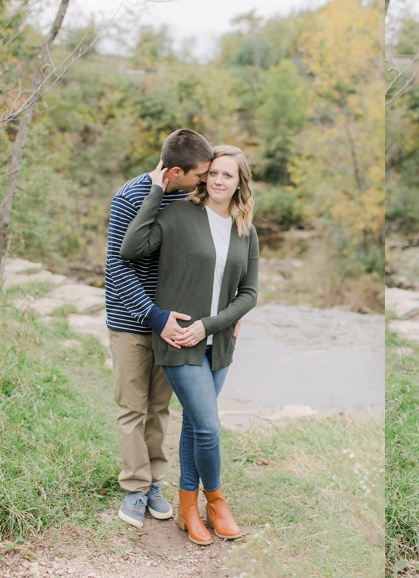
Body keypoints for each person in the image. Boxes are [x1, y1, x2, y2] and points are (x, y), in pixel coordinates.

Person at [120, 145, 259, 545]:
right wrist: (157, 192)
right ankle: (215, 501)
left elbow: (248, 294)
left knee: (197, 427)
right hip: (179, 340)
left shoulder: (244, 227)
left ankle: (186, 507)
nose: (217, 180)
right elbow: (131, 249)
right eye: (212, 173)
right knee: (209, 426)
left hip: (218, 344)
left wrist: (212, 325)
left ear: (239, 183)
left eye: (227, 175)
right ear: (204, 177)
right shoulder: (178, 213)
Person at [105, 129, 213, 528]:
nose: (206, 179)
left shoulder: (192, 197)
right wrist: (154, 316)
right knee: (132, 407)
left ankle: (155, 482)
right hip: (133, 322)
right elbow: (118, 267)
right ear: (175, 171)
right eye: (200, 173)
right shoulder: (130, 196)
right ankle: (135, 488)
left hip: (175, 325)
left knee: (159, 408)